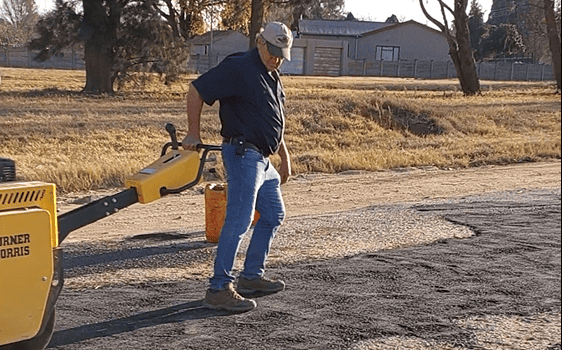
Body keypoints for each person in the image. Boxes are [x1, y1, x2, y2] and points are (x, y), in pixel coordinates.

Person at [181, 22, 293, 312]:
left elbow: (272, 119)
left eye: (282, 54)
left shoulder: (273, 75)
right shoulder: (240, 67)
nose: (276, 58)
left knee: (273, 214)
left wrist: (284, 156)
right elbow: (197, 90)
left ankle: (251, 277)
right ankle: (218, 288)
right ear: (260, 42)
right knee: (239, 221)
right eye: (273, 51)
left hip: (264, 160)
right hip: (243, 154)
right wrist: (194, 133)